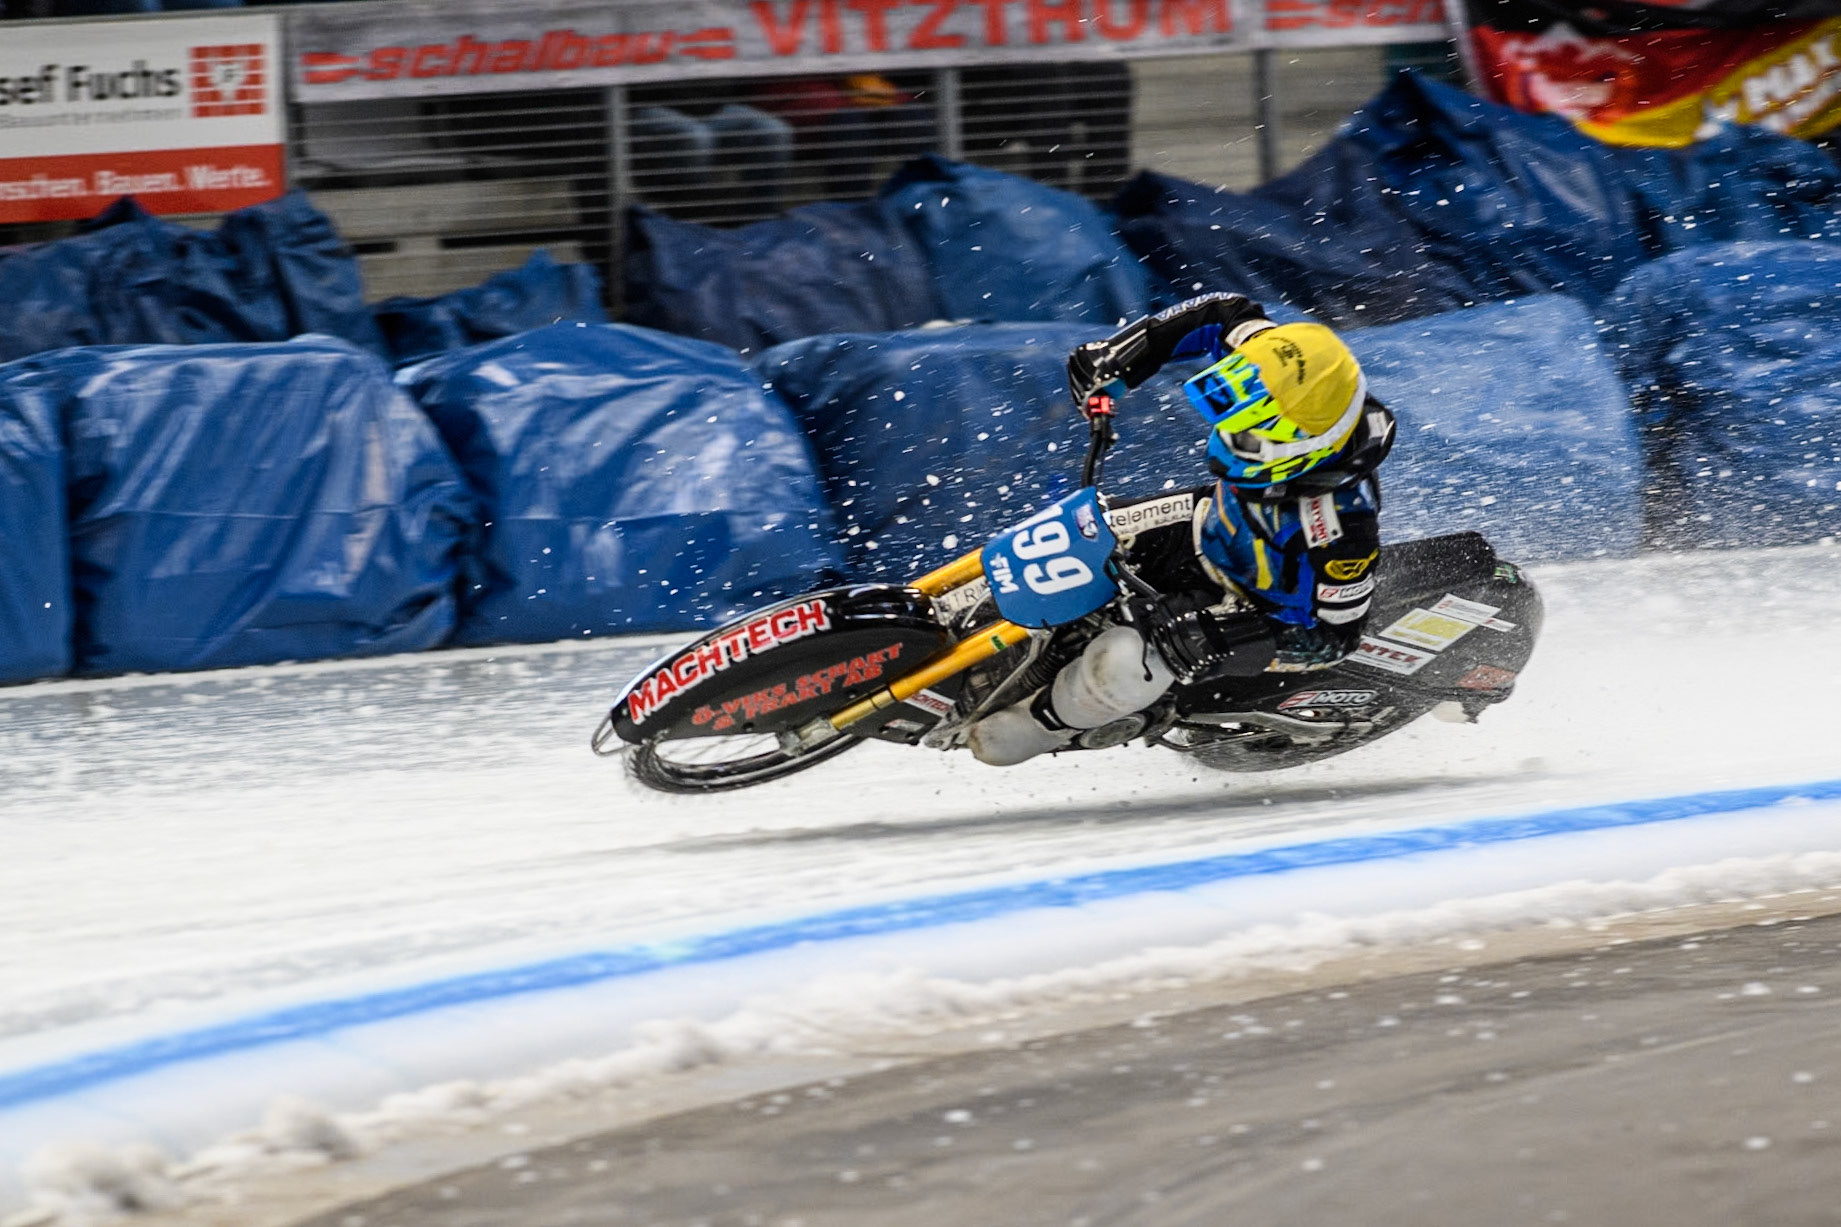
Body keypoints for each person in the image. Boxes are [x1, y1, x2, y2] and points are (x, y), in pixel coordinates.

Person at [966, 291, 1397, 767]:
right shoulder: (1278, 366)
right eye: (1233, 420)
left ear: (1306, 447)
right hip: (1202, 524)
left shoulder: (1342, 532)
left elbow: (1335, 640)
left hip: (1249, 605)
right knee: (1079, 530)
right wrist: (1121, 357)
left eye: (1253, 433)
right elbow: (1221, 311)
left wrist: (1220, 639)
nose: (1233, 436)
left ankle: (1035, 727)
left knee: (1127, 659)